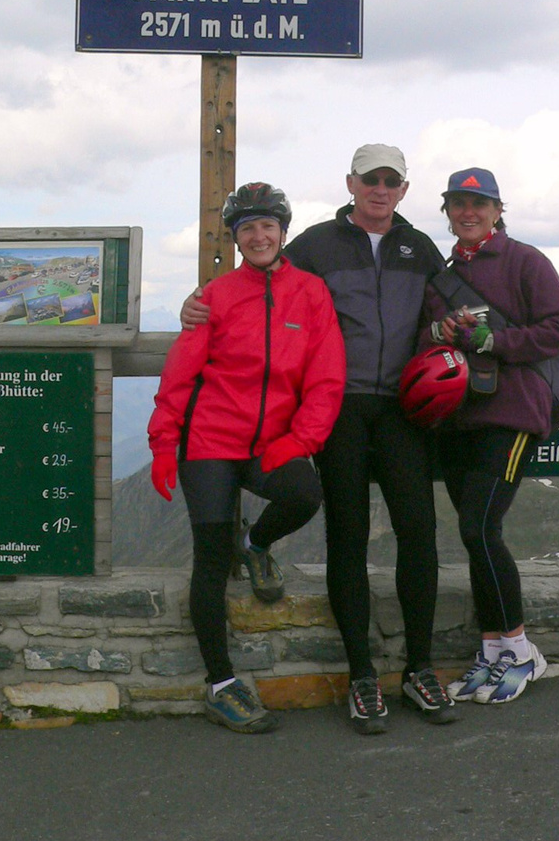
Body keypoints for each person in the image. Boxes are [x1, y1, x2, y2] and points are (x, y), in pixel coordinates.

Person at [182, 146, 457, 733]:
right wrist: (194, 305)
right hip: (341, 410)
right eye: (370, 179)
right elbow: (262, 283)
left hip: (404, 407)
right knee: (348, 533)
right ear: (352, 183)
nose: (380, 189)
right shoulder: (314, 243)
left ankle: (419, 668)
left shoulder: (420, 248)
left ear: (403, 189)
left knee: (420, 532)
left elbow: (449, 304)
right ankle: (362, 676)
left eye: (392, 181)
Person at [150, 182, 345, 733]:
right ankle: (221, 683)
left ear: (283, 232)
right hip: (209, 441)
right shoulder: (214, 295)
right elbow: (181, 373)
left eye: (267, 226)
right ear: (236, 240)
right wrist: (165, 442)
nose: (258, 236)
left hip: (270, 443)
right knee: (211, 559)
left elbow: (326, 377)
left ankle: (257, 544)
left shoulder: (310, 293)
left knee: (305, 494)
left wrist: (299, 441)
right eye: (246, 229)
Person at [422, 167, 559, 706]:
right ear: (447, 211)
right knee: (474, 534)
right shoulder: (444, 274)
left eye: (479, 204)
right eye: (458, 204)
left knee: (479, 525)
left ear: (497, 208)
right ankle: (491, 651)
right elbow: (428, 337)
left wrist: (496, 339)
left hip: (512, 416)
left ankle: (519, 647)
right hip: (459, 418)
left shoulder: (526, 261)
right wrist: (437, 332)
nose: (468, 213)